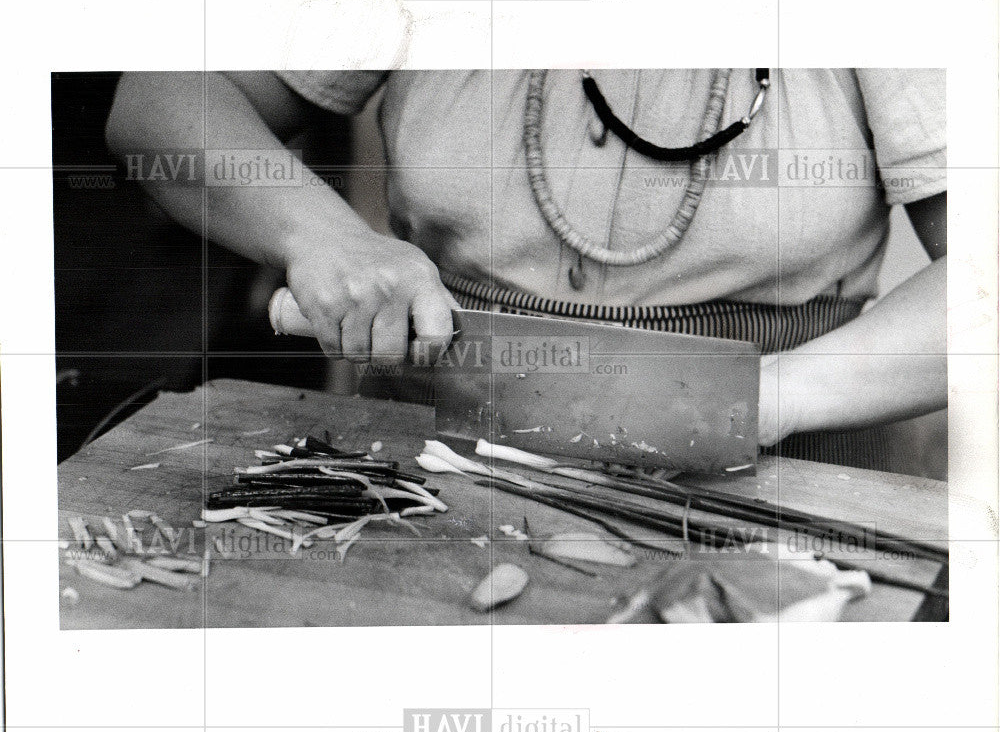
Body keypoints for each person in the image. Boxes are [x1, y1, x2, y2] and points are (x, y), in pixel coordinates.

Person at [105, 68, 946, 471]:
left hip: (791, 466)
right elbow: (159, 105)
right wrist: (322, 234)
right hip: (442, 452)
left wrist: (776, 395)